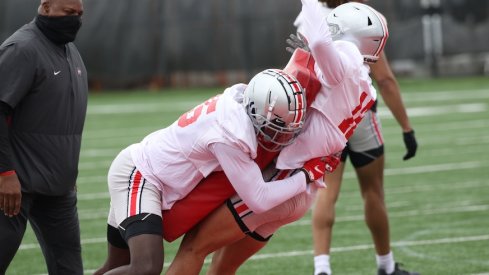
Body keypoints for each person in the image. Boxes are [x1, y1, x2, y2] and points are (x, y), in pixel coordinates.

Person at [163, 1, 383, 274]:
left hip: (281, 183)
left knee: (193, 249)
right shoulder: (364, 85)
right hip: (297, 191)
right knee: (221, 268)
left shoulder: (346, 64)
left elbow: (320, 42)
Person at [95, 68, 337, 275]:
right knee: (146, 267)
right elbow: (259, 198)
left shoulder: (242, 99)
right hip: (140, 176)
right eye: (278, 128)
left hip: (147, 174)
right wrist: (305, 176)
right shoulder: (230, 133)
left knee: (117, 265)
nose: (283, 137)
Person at [293, 1, 419, 275]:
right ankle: (386, 265)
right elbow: (384, 79)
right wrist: (406, 127)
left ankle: (322, 268)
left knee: (326, 194)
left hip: (327, 118)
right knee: (373, 192)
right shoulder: (363, 18)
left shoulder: (309, 17)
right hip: (359, 115)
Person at [0, 0, 87, 274]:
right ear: (46, 7)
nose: (75, 20)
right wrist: (4, 173)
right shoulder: (22, 49)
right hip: (16, 186)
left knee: (69, 268)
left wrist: (67, 171)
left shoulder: (70, 50)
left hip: (58, 188)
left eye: (79, 14)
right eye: (68, 13)